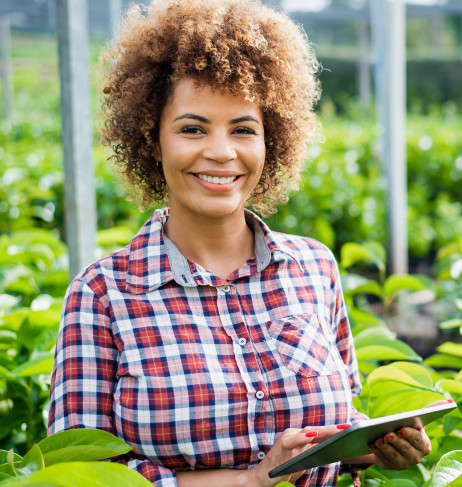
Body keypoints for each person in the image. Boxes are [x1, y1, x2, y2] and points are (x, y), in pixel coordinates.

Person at [46, 1, 437, 486]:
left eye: (243, 130)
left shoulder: (313, 267)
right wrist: (250, 481)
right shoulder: (103, 295)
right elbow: (79, 472)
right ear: (152, 140)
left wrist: (375, 445)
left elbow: (337, 420)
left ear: (271, 141)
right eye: (192, 129)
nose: (221, 152)